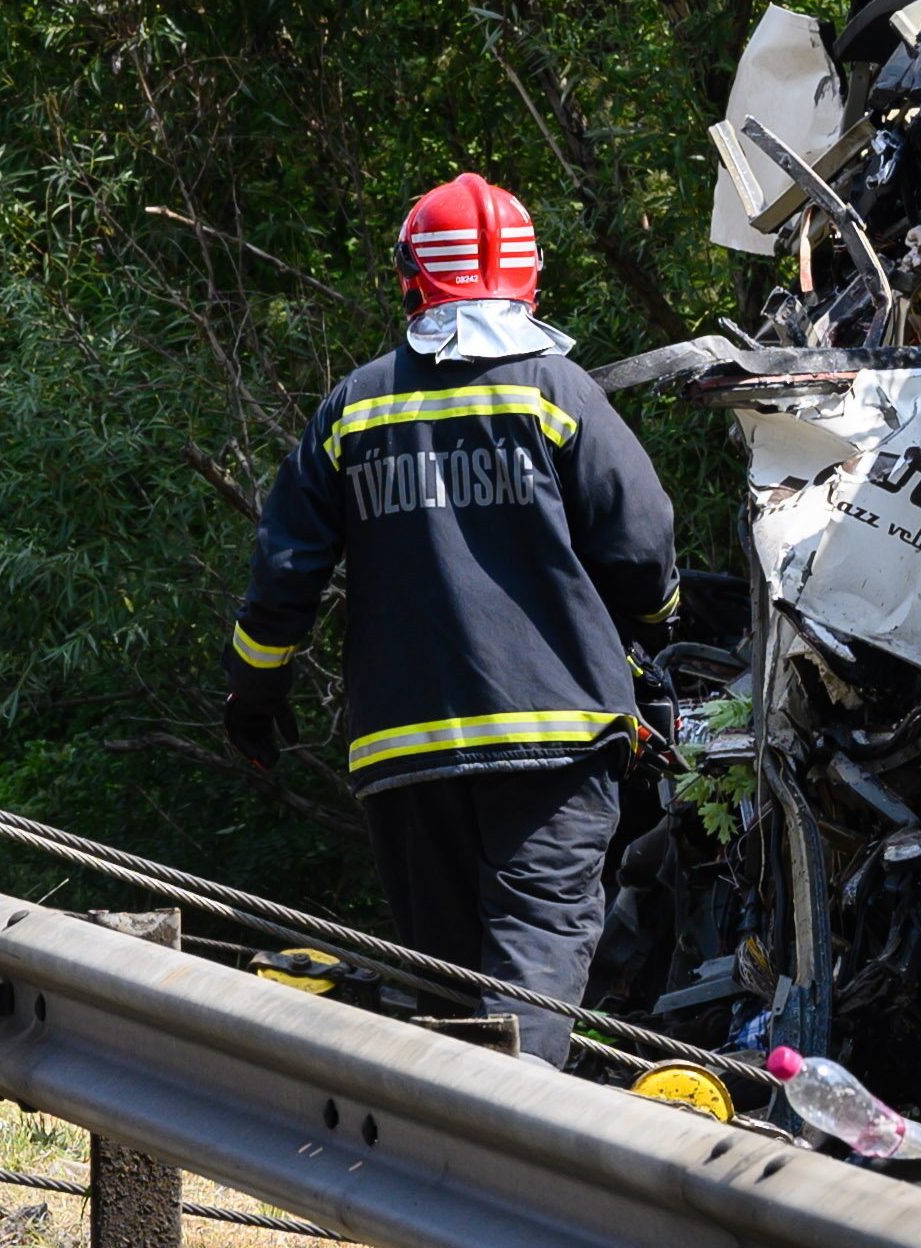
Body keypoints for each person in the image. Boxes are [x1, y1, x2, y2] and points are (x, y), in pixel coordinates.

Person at [223, 175, 673, 1063]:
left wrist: (254, 689)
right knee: (533, 963)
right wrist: (653, 639)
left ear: (410, 280)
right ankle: (505, 1156)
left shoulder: (356, 406)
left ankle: (450, 1161)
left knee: (446, 979)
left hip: (405, 747)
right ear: (529, 279)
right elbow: (644, 544)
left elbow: (284, 573)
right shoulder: (557, 390)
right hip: (557, 737)